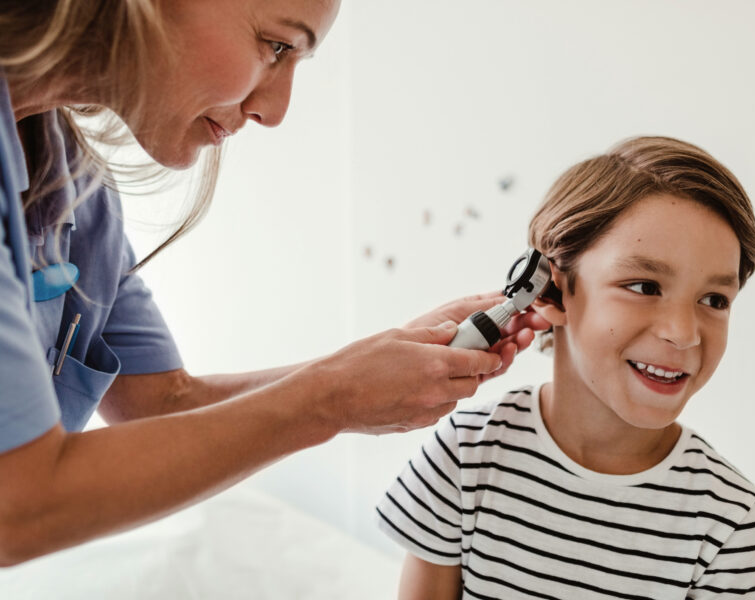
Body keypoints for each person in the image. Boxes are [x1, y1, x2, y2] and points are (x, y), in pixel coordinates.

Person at [0, 0, 548, 565]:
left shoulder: (75, 189)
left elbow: (163, 405)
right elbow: (16, 505)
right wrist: (332, 398)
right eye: (277, 46)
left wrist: (373, 366)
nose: (277, 110)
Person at [376, 136, 755, 598]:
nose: (684, 332)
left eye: (714, 300)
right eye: (645, 286)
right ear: (549, 293)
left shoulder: (730, 521)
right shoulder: (466, 454)